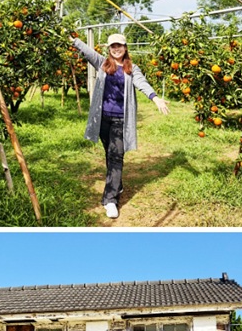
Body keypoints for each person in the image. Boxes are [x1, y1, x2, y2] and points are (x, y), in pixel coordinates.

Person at [71, 33, 170, 219]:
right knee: (110, 153)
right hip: (103, 119)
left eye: (120, 46)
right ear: (109, 49)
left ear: (125, 48)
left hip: (120, 120)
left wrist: (155, 98)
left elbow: (142, 83)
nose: (116, 49)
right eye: (113, 46)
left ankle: (110, 199)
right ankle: (117, 183)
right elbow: (88, 52)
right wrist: (74, 40)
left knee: (116, 156)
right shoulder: (102, 63)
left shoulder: (131, 68)